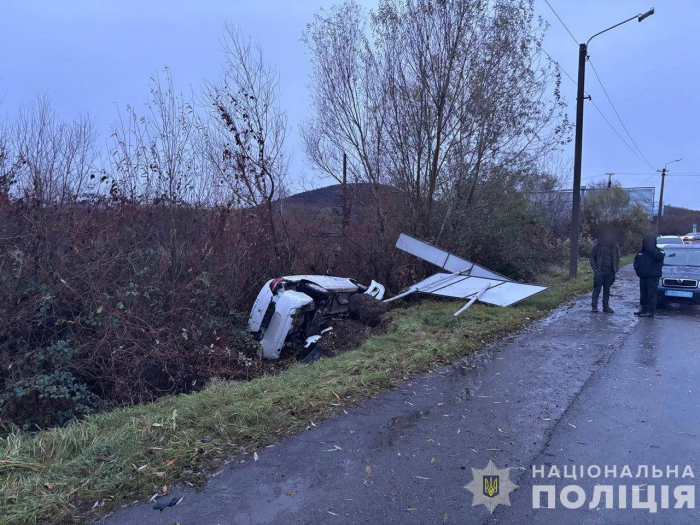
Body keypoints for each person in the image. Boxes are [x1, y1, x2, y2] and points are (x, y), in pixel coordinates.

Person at [589, 227, 621, 313]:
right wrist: (595, 268)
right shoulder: (598, 246)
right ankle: (594, 306)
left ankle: (606, 307)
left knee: (607, 290)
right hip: (599, 271)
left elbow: (617, 257)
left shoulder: (614, 246)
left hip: (610, 272)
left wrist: (616, 267)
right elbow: (591, 257)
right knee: (597, 289)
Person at [633, 233, 665, 318]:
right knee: (643, 293)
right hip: (643, 277)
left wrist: (652, 249)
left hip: (653, 277)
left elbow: (659, 258)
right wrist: (638, 270)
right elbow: (636, 262)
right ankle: (643, 309)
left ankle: (650, 311)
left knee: (651, 294)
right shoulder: (641, 252)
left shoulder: (658, 251)